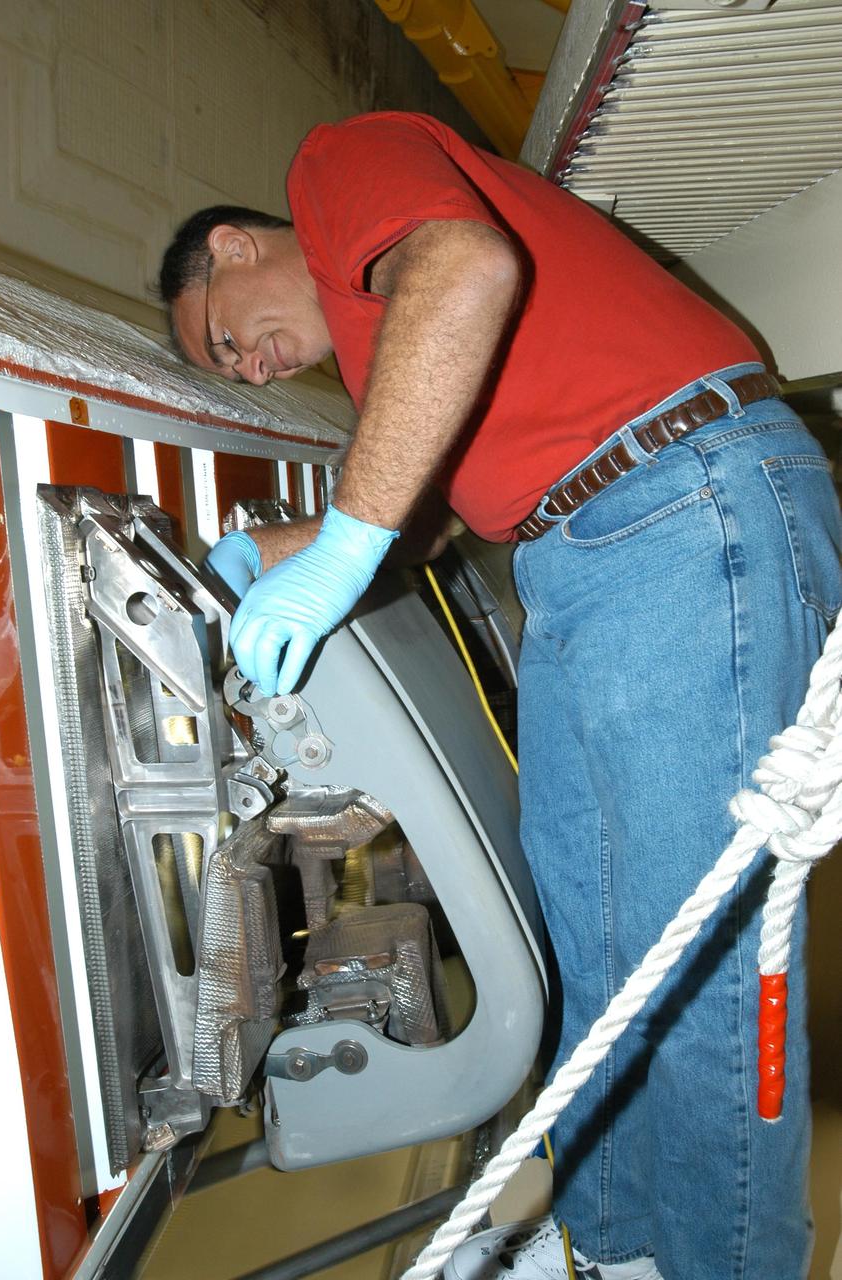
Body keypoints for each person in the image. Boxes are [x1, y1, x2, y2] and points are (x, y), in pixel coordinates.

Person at [159, 111, 840, 1280]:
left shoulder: (333, 166)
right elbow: (416, 526)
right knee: (600, 941)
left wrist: (339, 543)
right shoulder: (394, 354)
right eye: (238, 371)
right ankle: (618, 1247)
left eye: (230, 341)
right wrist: (275, 550)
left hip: (677, 509)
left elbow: (467, 266)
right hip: (592, 550)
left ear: (231, 246)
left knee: (697, 957)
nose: (260, 365)